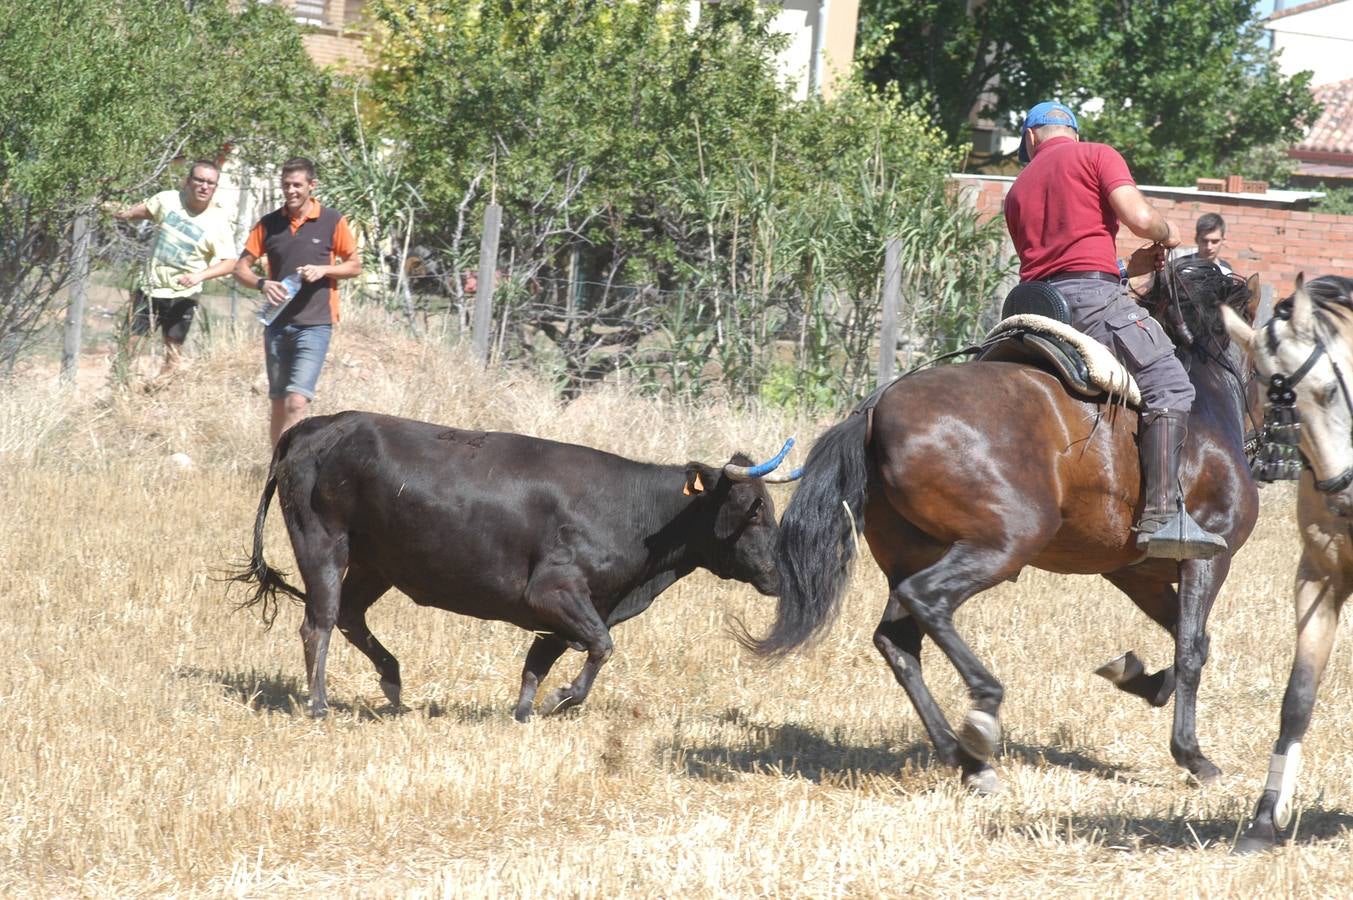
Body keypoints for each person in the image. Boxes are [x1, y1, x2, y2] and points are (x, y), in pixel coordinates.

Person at [1003, 101, 1226, 560]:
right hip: (1092, 304)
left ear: (1030, 139)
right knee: (1170, 385)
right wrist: (1166, 233)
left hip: (1036, 307)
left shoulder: (1016, 189)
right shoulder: (1096, 155)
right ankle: (1163, 515)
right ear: (1073, 133)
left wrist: (1124, 269)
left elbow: (1054, 264)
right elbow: (1140, 219)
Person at [232, 157, 361, 447]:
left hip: (315, 325)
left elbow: (354, 266)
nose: (291, 191)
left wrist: (325, 270)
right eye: (286, 185)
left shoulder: (331, 220)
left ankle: (290, 468)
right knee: (278, 402)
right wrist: (263, 284)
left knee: (297, 402)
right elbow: (240, 269)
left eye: (297, 185)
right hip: (277, 326)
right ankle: (276, 466)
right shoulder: (269, 224)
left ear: (311, 186)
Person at [111, 160, 237, 378]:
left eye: (210, 183)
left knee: (172, 354)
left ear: (216, 187)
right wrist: (105, 205)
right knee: (128, 345)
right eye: (199, 180)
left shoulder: (218, 221)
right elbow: (134, 211)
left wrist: (200, 276)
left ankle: (159, 392)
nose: (204, 186)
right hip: (149, 288)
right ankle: (120, 387)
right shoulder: (168, 200)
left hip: (182, 295)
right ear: (188, 181)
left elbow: (230, 262)